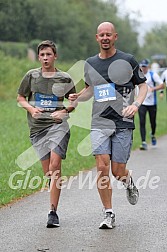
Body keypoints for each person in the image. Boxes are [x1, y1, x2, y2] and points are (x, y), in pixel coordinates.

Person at [69, 22, 148, 229]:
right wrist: (78, 97)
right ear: (97, 38)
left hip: (123, 122)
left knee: (117, 171)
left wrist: (136, 104)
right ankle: (108, 213)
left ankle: (128, 181)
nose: (105, 38)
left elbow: (142, 85)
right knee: (102, 167)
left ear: (115, 37)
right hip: (99, 122)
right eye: (101, 35)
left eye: (108, 35)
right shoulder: (91, 63)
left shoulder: (127, 60)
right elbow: (90, 90)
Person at [17, 40, 76, 228]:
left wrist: (65, 110)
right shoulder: (31, 76)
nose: (45, 58)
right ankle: (54, 187)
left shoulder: (64, 78)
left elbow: (73, 101)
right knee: (49, 173)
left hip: (58, 126)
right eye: (42, 55)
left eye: (48, 54)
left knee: (55, 164)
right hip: (37, 128)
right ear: (38, 57)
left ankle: (53, 212)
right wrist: (31, 109)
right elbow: (20, 97)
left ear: (55, 56)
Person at [138, 59, 164, 150]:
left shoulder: (153, 75)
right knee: (142, 122)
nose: (143, 68)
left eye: (145, 66)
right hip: (142, 102)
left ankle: (152, 134)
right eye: (142, 66)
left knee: (153, 122)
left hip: (152, 103)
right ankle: (143, 142)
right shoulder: (138, 75)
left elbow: (162, 85)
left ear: (148, 67)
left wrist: (153, 89)